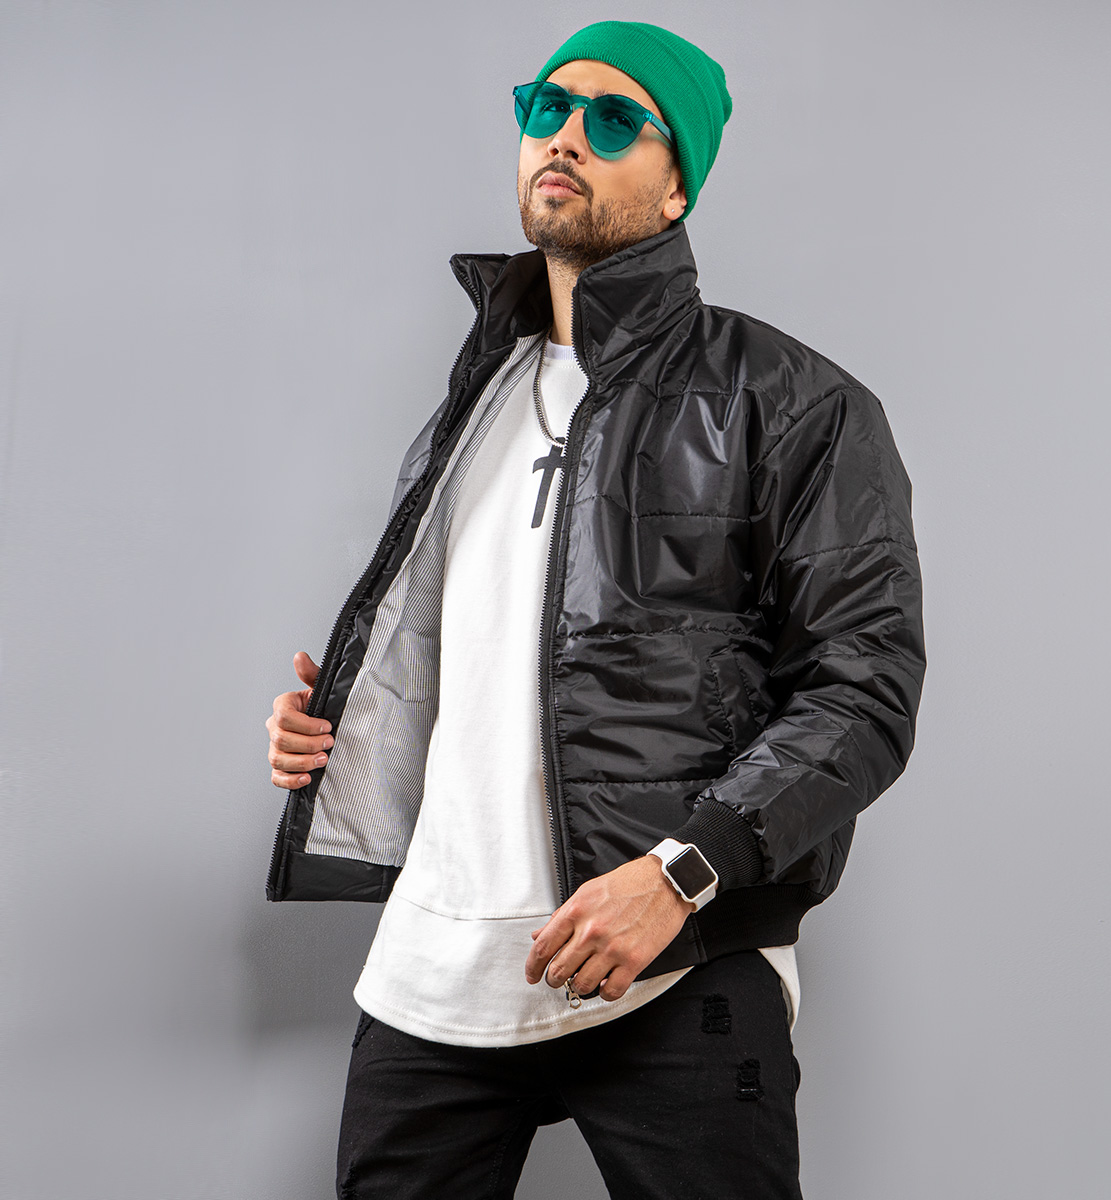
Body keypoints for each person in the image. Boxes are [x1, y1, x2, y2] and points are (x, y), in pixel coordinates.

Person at [263, 20, 925, 1199]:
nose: (565, 136)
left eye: (615, 119)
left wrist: (680, 874)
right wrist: (341, 735)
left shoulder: (794, 403)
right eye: (546, 107)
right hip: (436, 970)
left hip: (672, 957)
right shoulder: (476, 398)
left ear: (677, 184)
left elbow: (863, 692)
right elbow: (480, 662)